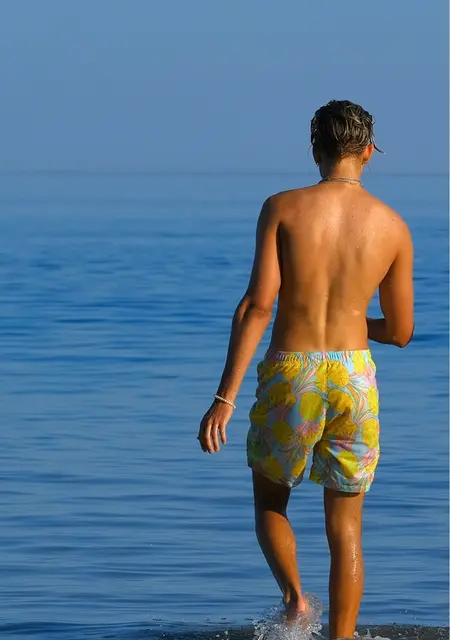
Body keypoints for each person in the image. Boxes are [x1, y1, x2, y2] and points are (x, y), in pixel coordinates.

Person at [197, 100, 414, 639]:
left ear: (315, 149)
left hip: (293, 371)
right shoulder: (393, 226)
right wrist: (351, 319)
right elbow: (400, 332)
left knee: (271, 499)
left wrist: (224, 398)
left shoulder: (282, 208)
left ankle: (295, 602)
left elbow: (258, 306)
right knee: (347, 528)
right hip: (354, 376)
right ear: (369, 152)